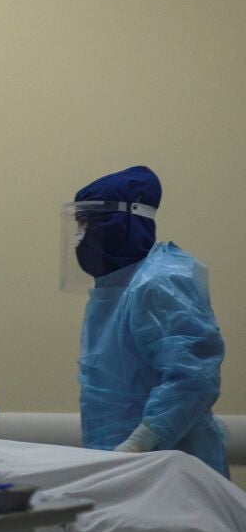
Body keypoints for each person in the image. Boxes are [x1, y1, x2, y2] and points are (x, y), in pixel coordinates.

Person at [65, 166, 228, 476]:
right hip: (122, 462)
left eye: (88, 222)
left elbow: (193, 379)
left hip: (171, 466)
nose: (80, 235)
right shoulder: (113, 289)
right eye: (78, 223)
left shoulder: (161, 281)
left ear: (124, 221)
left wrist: (138, 444)